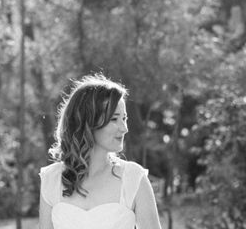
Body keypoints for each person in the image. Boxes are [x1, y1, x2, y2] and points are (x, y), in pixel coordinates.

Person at [39, 74, 162, 229]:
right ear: (88, 122)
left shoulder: (134, 178)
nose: (124, 128)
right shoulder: (51, 179)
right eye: (114, 119)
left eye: (124, 118)